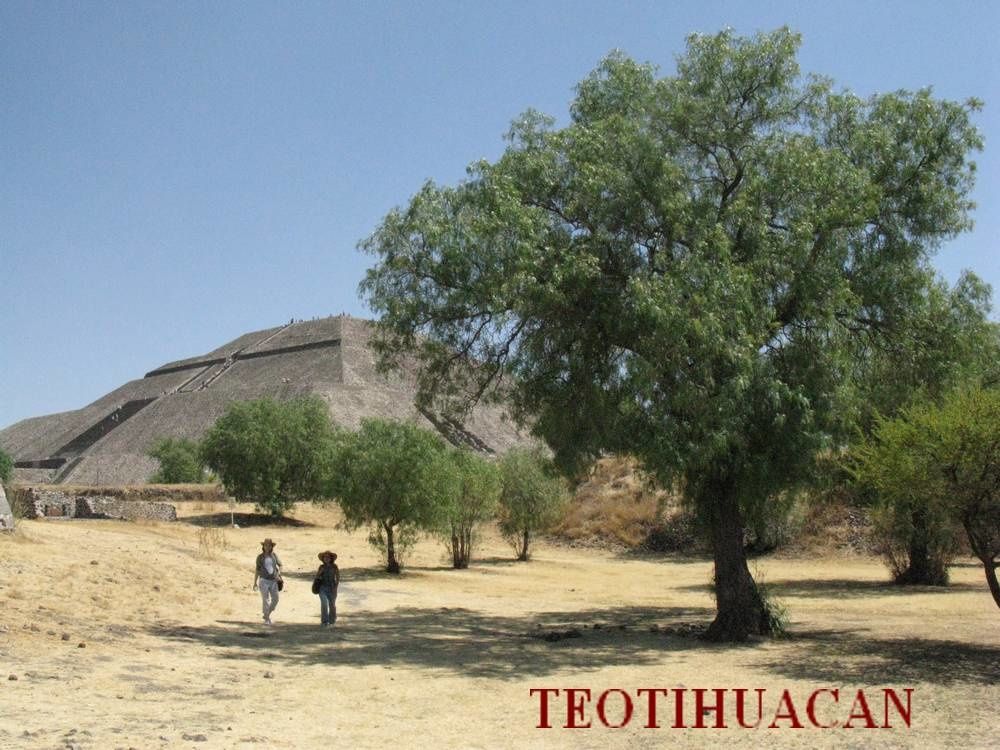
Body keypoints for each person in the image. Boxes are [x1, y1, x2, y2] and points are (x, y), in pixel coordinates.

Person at [253, 538, 282, 625]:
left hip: (273, 580)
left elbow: (280, 565)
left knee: (276, 599)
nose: (267, 547)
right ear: (263, 546)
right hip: (263, 580)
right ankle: (267, 619)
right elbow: (257, 570)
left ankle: (267, 614)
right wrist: (254, 582)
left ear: (271, 547)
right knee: (266, 600)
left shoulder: (274, 555)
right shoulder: (260, 557)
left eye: (269, 545)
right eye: (266, 545)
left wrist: (278, 574)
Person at [315, 551, 340, 627]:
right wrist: (320, 572)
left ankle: (332, 620)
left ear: (331, 558)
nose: (326, 558)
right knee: (324, 603)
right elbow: (316, 577)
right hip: (322, 588)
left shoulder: (335, 566)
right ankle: (324, 621)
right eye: (325, 557)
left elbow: (338, 577)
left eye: (328, 557)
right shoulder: (321, 567)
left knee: (332, 604)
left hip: (332, 587)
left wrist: (336, 587)